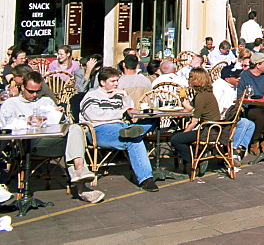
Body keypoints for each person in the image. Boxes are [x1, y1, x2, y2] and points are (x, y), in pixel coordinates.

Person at [0, 71, 104, 203]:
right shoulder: (11, 104)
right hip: (30, 144)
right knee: (71, 145)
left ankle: (80, 169)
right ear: (22, 87)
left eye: (38, 91)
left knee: (75, 128)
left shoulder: (46, 101)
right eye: (31, 91)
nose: (34, 95)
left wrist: (60, 116)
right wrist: (27, 121)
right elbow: (6, 127)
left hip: (53, 140)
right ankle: (82, 190)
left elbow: (62, 124)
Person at [79, 67, 158, 192]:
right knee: (133, 138)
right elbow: (95, 116)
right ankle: (146, 178)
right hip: (99, 130)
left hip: (121, 127)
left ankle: (133, 132)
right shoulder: (92, 95)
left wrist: (125, 95)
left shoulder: (117, 94)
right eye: (113, 81)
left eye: (117, 81)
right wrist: (119, 113)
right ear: (102, 82)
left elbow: (130, 110)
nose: (116, 84)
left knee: (153, 120)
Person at [169, 67, 222, 174]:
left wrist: (185, 132)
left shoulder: (201, 96)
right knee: (175, 136)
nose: (188, 80)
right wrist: (182, 97)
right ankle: (192, 159)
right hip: (211, 129)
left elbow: (194, 121)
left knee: (176, 139)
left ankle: (193, 162)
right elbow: (190, 108)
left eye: (190, 78)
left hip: (208, 131)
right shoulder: (204, 94)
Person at [212, 64, 256, 162]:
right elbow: (216, 104)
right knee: (244, 123)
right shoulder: (218, 86)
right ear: (227, 78)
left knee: (251, 124)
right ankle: (232, 151)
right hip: (220, 118)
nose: (239, 78)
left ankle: (238, 149)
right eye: (236, 77)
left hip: (230, 115)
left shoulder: (233, 86)